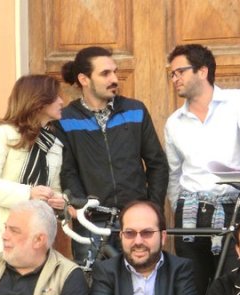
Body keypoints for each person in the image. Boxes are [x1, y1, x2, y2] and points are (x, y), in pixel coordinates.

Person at [165, 44, 240, 295]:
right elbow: (174, 172)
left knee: (234, 286)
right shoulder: (174, 122)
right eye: (172, 74)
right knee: (192, 289)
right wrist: (177, 208)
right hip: (189, 212)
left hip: (230, 207)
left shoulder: (239, 101)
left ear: (202, 71)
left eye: (180, 72)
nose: (175, 79)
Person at [55, 46, 168, 265]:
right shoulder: (65, 119)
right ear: (84, 79)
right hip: (92, 223)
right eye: (105, 73)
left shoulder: (135, 110)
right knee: (95, 284)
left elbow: (157, 164)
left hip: (136, 222)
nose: (114, 79)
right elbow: (67, 171)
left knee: (141, 281)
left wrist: (153, 209)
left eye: (114, 72)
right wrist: (83, 208)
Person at [0, 75, 66, 275]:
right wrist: (28, 194)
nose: (62, 102)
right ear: (38, 101)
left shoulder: (54, 146)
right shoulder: (3, 135)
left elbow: (54, 189)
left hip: (34, 241)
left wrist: (59, 201)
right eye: (56, 97)